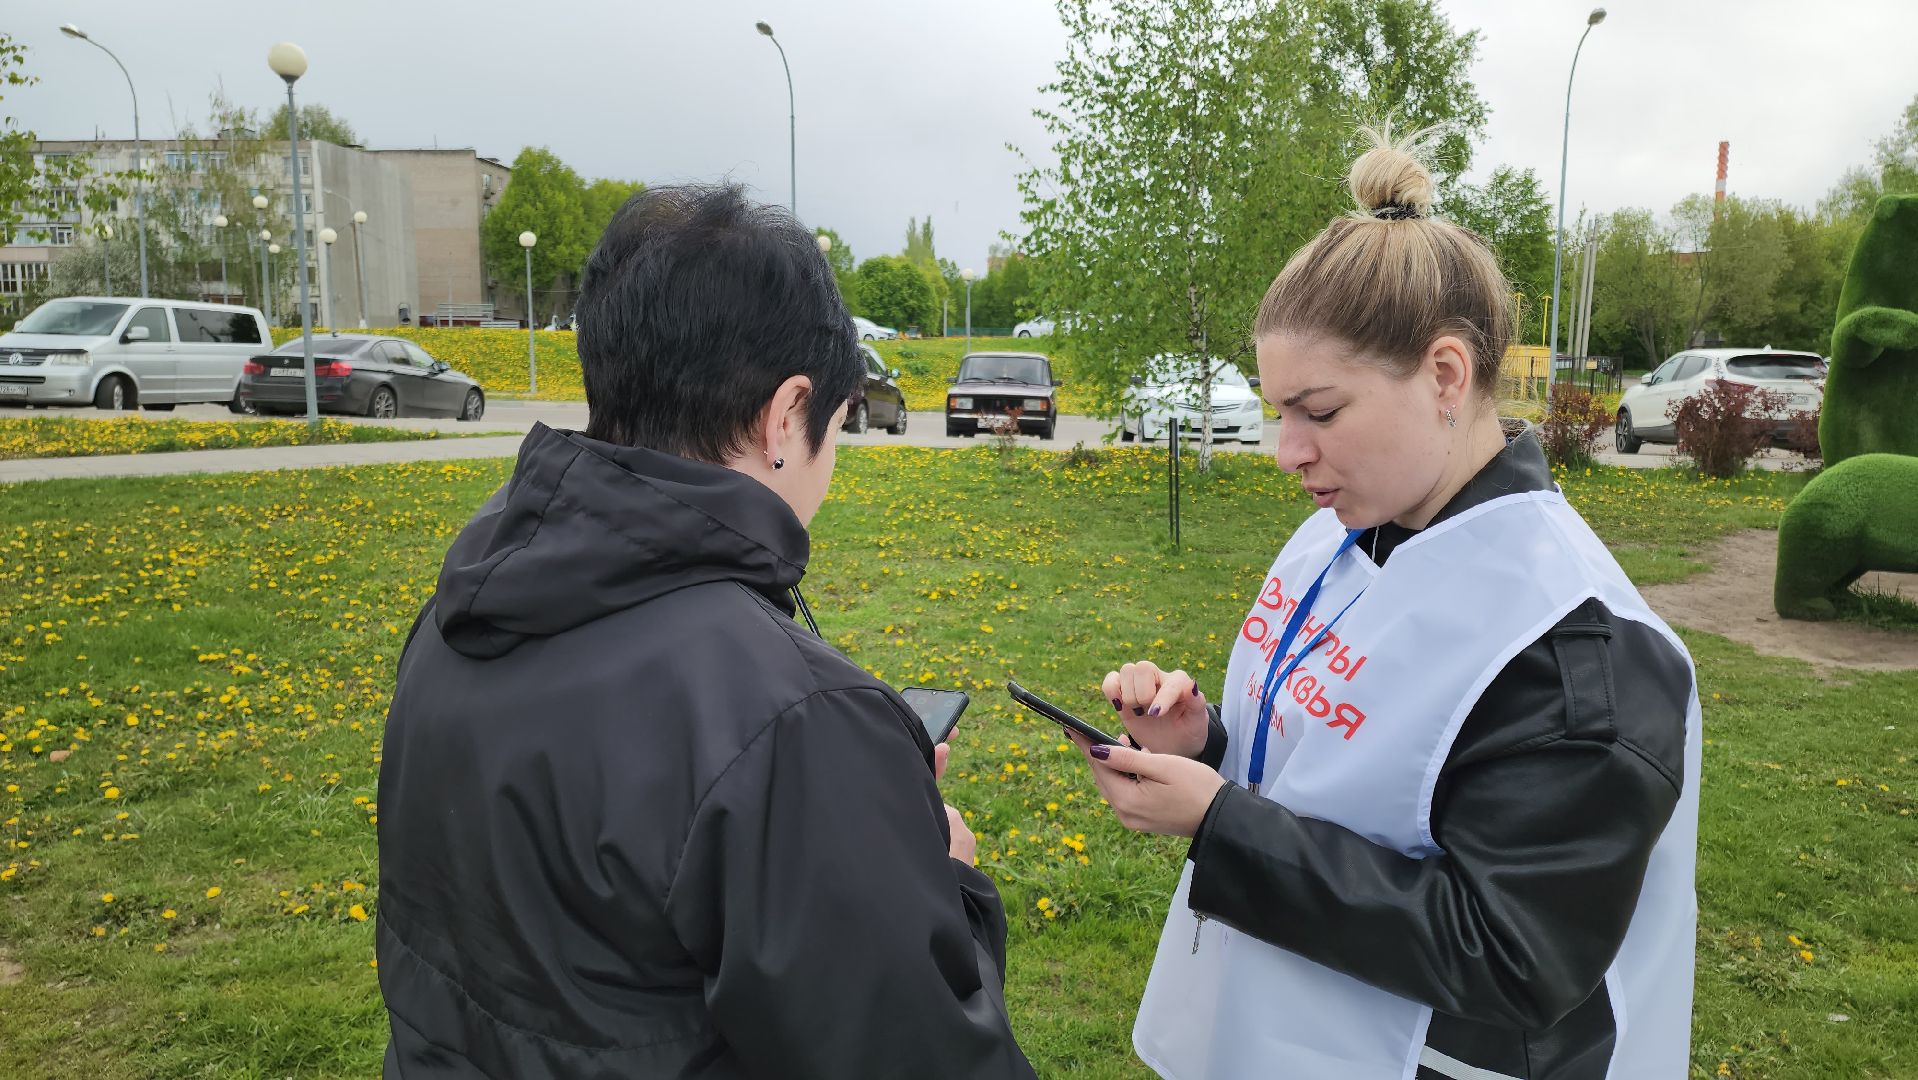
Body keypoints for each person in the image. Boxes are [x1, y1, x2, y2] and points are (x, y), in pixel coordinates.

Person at [1073, 128, 1700, 1080]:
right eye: (1277, 411)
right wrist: (1203, 743)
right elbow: (1347, 768)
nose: (1287, 450)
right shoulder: (1343, 532)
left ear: (1446, 376)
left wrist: (1220, 826)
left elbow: (1511, 954)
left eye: (1319, 413)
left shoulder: (1580, 650)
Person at [376, 184, 1035, 1079]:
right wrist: (941, 876)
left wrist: (852, 818)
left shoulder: (463, 607)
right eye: (837, 430)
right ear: (785, 415)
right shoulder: (793, 722)